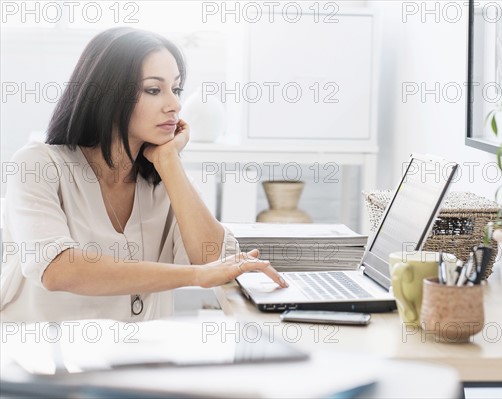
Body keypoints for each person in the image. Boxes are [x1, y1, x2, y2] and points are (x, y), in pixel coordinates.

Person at [0, 27, 287, 323]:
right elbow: (58, 270)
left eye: (176, 89)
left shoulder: (164, 179)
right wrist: (195, 276)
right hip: (36, 357)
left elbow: (214, 260)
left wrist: (170, 161)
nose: (174, 104)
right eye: (153, 89)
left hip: (131, 356)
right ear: (107, 96)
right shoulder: (37, 164)